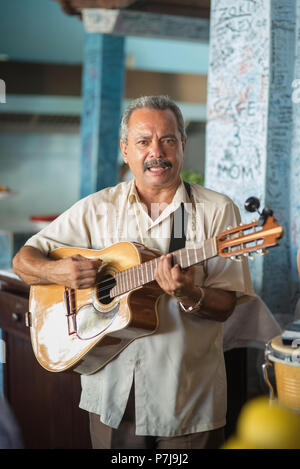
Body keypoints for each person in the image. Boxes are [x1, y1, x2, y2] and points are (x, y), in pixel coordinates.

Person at [13, 95, 254, 449]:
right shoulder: (97, 208)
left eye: (168, 140)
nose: (156, 152)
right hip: (112, 397)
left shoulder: (216, 212)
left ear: (182, 146)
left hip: (186, 402)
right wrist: (60, 272)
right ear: (126, 150)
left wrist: (191, 294)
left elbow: (226, 306)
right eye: (143, 141)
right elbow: (24, 260)